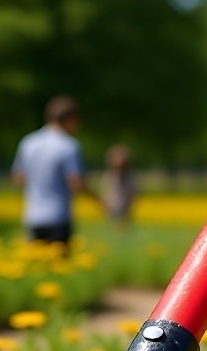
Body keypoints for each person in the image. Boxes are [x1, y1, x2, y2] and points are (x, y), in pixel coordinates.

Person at [12, 96, 98, 245]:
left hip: (33, 217)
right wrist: (98, 200)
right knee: (60, 266)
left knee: (37, 265)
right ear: (70, 119)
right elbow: (76, 184)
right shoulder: (69, 146)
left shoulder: (28, 143)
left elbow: (18, 178)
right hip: (58, 217)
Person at [102, 143, 137, 229]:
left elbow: (133, 193)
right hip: (111, 207)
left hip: (125, 207)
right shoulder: (109, 176)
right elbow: (105, 192)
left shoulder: (130, 176)